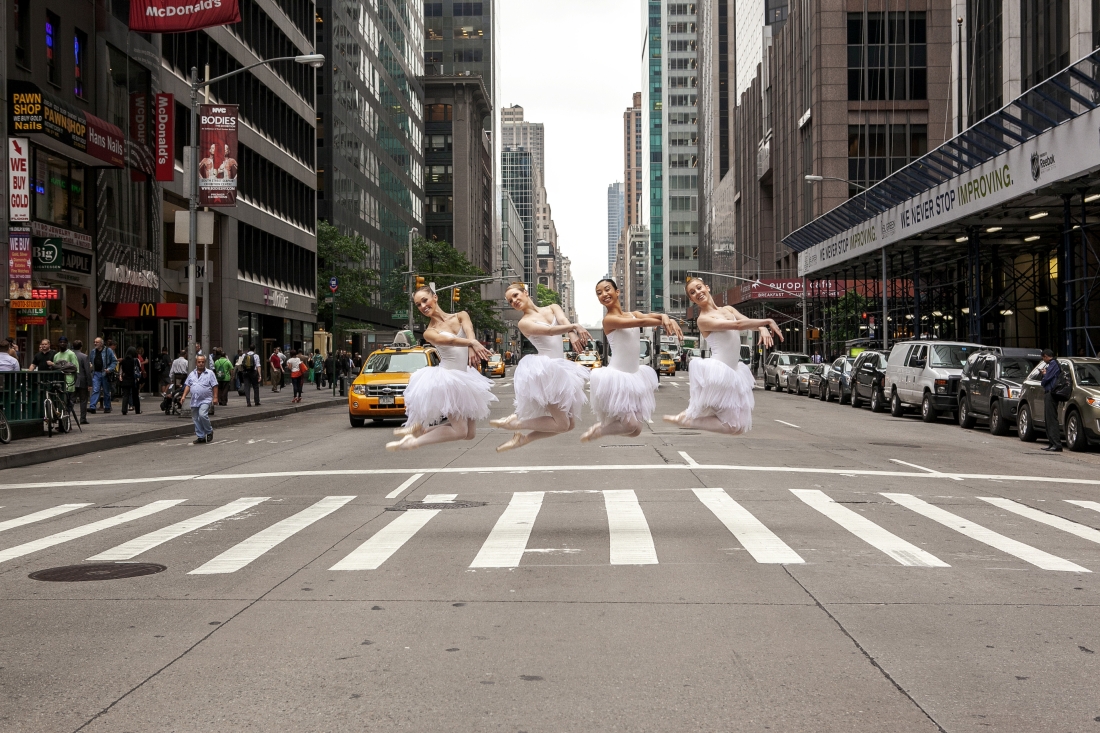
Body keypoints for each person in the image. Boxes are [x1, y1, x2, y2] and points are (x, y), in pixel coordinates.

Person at [663, 277, 783, 435]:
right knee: (730, 424)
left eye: (699, 288)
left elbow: (746, 321)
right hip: (719, 372)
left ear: (707, 287)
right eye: (692, 292)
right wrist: (767, 321)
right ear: (691, 299)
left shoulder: (728, 309)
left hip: (733, 372)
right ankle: (688, 420)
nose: (697, 292)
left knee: (738, 427)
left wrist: (761, 328)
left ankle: (685, 418)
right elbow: (738, 325)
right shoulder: (703, 320)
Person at [386, 286, 496, 450]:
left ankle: (422, 431)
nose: (422, 306)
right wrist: (471, 343)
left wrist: (472, 345)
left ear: (435, 297)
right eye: (418, 304)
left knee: (469, 434)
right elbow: (450, 342)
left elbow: (469, 330)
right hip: (448, 380)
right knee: (460, 432)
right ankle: (413, 442)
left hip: (466, 378)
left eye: (425, 300)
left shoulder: (461, 315)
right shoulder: (429, 332)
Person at [579, 279, 684, 443]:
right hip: (618, 377)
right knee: (629, 425)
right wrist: (666, 320)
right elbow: (641, 322)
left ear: (617, 291)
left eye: (607, 290)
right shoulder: (609, 320)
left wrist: (666, 317)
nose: (604, 294)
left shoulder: (633, 313)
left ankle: (609, 425)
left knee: (636, 430)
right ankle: (598, 430)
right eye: (599, 293)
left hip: (635, 376)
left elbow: (649, 316)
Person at [491, 283, 593, 452]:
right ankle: (515, 423)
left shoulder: (552, 307)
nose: (514, 301)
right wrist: (574, 327)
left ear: (526, 292)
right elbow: (551, 331)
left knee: (570, 424)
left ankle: (522, 439)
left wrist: (572, 333)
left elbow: (563, 321)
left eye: (516, 295)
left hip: (560, 370)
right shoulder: (524, 323)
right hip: (546, 372)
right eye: (510, 301)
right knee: (561, 424)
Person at [181, 354, 219, 444]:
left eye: (202, 362)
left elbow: (215, 385)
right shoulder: (192, 374)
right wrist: (183, 396)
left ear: (205, 363)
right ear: (196, 363)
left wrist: (215, 397)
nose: (201, 364)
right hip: (195, 400)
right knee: (196, 418)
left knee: (202, 415)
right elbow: (188, 385)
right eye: (199, 362)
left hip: (205, 399)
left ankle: (209, 431)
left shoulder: (210, 373)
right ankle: (201, 436)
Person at [1040, 349, 1064, 452]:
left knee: (1051, 419)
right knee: (1048, 419)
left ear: (1046, 356)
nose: (1043, 360)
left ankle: (1056, 444)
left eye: (1043, 358)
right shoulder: (1052, 364)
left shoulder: (1053, 363)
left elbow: (1046, 380)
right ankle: (1051, 442)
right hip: (1048, 393)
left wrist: (1044, 374)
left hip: (1051, 393)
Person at [88, 337, 117, 413]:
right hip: (96, 373)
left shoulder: (108, 351)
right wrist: (90, 365)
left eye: (97, 342)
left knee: (106, 391)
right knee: (95, 390)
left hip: (105, 373)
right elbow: (90, 361)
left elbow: (114, 361)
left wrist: (109, 369)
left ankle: (107, 407)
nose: (95, 343)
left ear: (101, 343)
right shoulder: (93, 352)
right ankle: (92, 407)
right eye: (94, 342)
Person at [72, 339, 92, 424]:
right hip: (82, 380)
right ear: (81, 347)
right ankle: (83, 418)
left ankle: (66, 416)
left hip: (72, 380)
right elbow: (87, 371)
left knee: (71, 400)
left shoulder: (70, 355)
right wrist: (90, 383)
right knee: (83, 400)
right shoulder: (84, 356)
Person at [119, 347, 142, 415]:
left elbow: (121, 370)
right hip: (133, 379)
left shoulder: (123, 361)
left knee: (125, 395)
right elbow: (139, 369)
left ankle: (124, 410)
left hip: (125, 379)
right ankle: (137, 410)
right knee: (135, 395)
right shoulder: (135, 360)